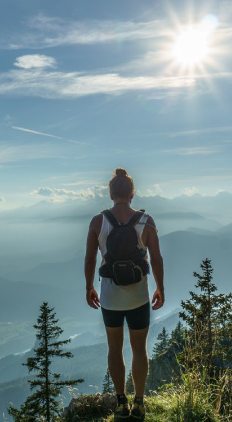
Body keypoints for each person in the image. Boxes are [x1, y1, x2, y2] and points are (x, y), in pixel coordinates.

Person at [84, 168, 164, 420]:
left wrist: (89, 287)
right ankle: (139, 403)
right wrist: (160, 287)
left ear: (110, 193)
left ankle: (121, 404)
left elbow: (90, 257)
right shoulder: (146, 221)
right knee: (139, 349)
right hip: (139, 296)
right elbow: (157, 258)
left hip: (110, 297)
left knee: (114, 348)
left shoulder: (98, 221)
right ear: (132, 193)